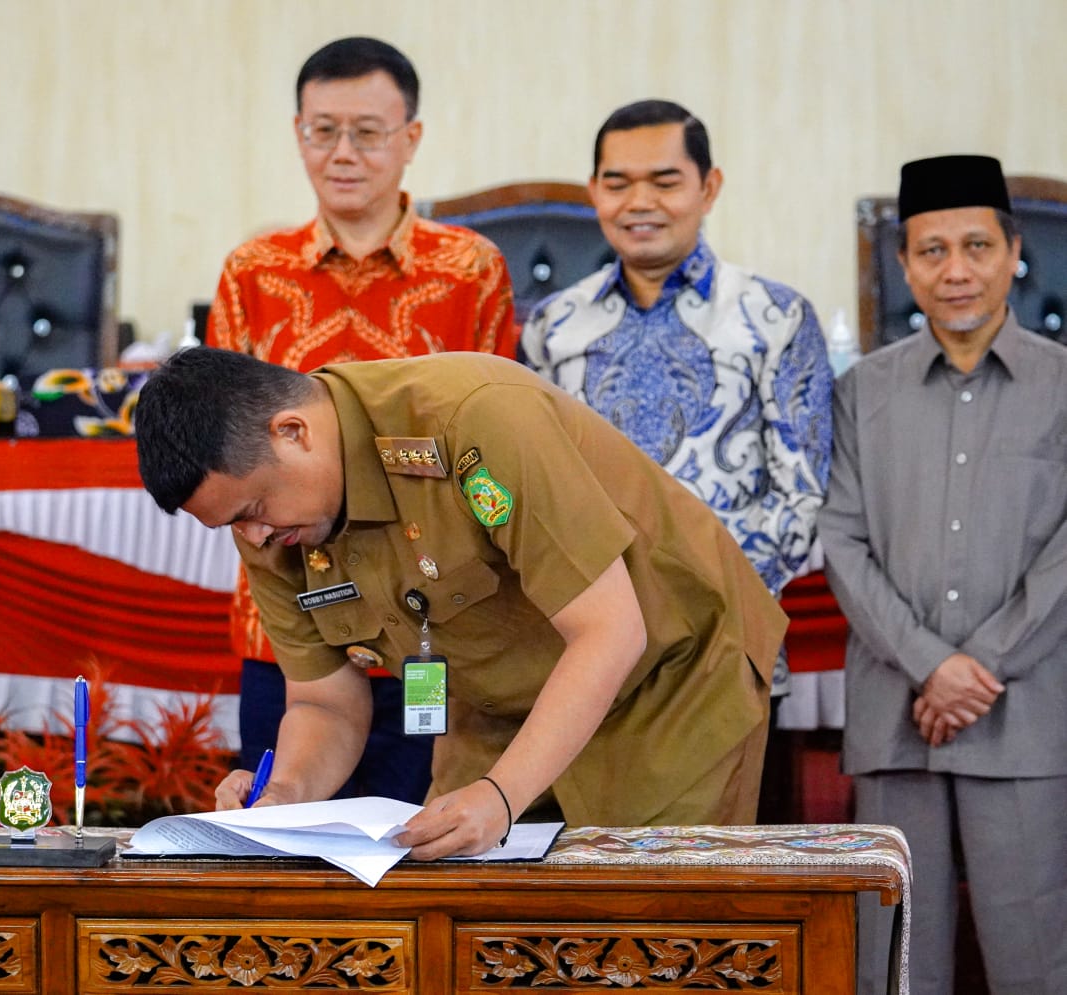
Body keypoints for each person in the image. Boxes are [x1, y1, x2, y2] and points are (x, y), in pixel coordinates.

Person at [135, 346, 786, 859]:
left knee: (644, 935)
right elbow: (324, 700)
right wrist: (284, 794)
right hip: (495, 704)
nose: (253, 538)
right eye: (231, 527)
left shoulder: (475, 418)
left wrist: (500, 797)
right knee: (465, 922)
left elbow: (610, 631)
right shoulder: (275, 527)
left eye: (252, 511)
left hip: (666, 683)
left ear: (293, 431)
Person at [206, 36, 518, 805]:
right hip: (287, 632)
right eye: (323, 130)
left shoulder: (471, 271)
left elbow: (499, 454)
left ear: (410, 138)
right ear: (298, 133)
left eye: (368, 132)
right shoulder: (253, 274)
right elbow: (222, 459)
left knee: (428, 859)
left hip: (439, 627)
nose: (343, 153)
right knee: (286, 850)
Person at [819, 154, 1067, 995]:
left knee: (1035, 954)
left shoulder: (1064, 386)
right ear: (903, 265)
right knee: (897, 957)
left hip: (1028, 717)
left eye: (975, 246)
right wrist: (933, 665)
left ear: (1013, 250)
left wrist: (977, 666)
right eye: (931, 251)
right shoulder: (861, 393)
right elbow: (841, 539)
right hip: (901, 716)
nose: (955, 271)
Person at [519, 99, 833, 733]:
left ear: (708, 187)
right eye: (618, 182)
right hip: (585, 659)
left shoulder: (775, 316)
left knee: (726, 837)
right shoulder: (553, 326)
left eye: (665, 182)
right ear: (594, 192)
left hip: (724, 648)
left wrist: (709, 612)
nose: (640, 202)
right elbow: (536, 488)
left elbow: (801, 496)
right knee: (588, 836)